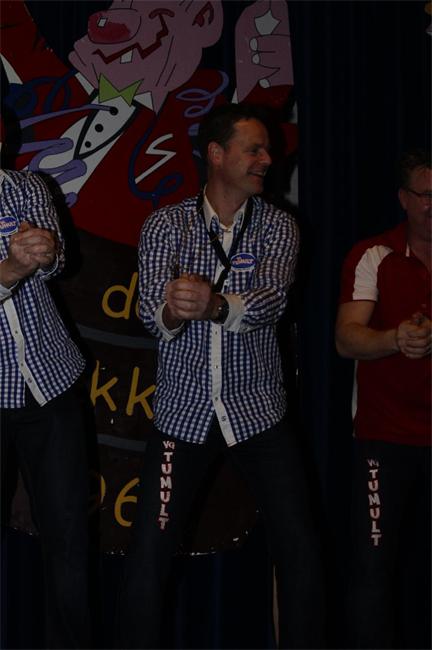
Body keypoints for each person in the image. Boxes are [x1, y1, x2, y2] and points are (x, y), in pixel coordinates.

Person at [117, 103, 325, 649]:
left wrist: (210, 305)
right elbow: (150, 317)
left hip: (258, 410)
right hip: (183, 412)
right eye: (253, 149)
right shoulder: (166, 224)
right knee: (149, 553)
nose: (266, 160)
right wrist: (172, 309)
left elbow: (272, 300)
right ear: (216, 154)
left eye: (266, 150)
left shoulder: (279, 225)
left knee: (299, 547)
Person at [335, 150, 431, 648]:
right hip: (384, 437)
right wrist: (396, 338)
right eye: (427, 195)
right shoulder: (373, 254)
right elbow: (346, 338)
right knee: (372, 571)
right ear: (404, 199)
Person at [0, 169, 90, 649]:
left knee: (68, 541)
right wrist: (10, 269)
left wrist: (48, 252)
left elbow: (58, 263)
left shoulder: (27, 186)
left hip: (49, 382)